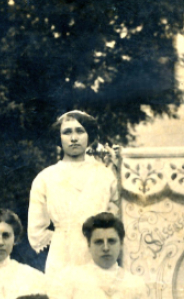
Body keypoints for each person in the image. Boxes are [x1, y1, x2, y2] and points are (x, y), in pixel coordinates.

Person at [29, 110, 120, 274]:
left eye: (80, 131)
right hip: (62, 256)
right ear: (59, 137)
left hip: (98, 253)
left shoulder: (105, 175)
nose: (73, 138)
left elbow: (118, 216)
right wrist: (61, 237)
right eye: (67, 132)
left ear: (89, 136)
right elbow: (36, 229)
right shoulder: (46, 178)